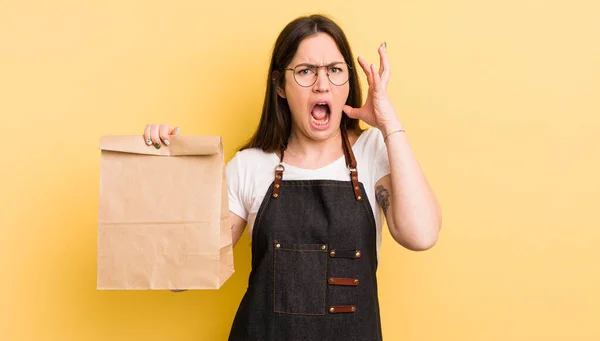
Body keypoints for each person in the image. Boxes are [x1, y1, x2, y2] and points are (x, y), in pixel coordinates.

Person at [143, 14, 441, 341]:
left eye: (334, 70)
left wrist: (388, 123)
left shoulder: (373, 152)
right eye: (305, 71)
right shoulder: (250, 166)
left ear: (348, 83)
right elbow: (179, 275)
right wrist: (166, 168)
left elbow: (422, 234)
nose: (322, 84)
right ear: (280, 86)